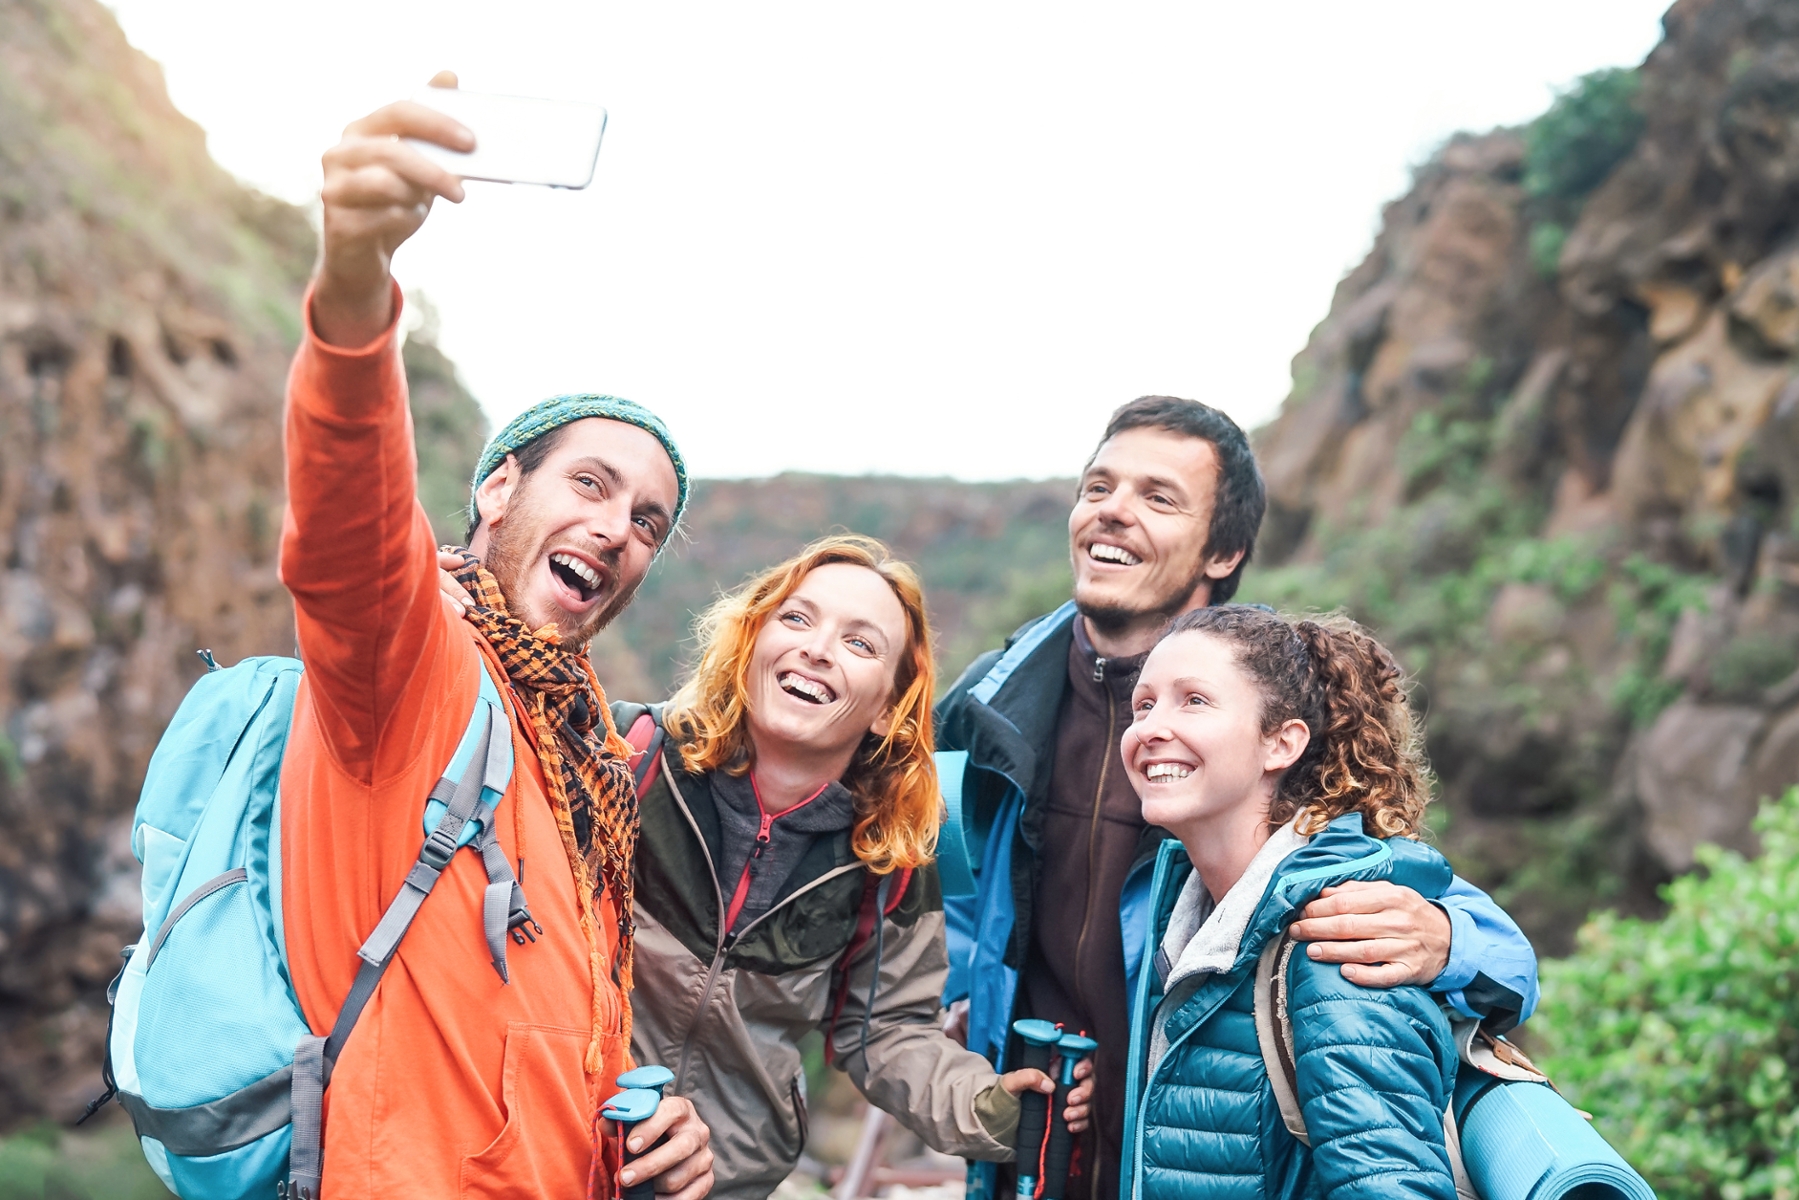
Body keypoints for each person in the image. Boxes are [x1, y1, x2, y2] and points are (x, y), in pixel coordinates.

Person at [278, 76, 713, 1197]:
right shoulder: (414, 664)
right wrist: (359, 288)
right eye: (591, 483)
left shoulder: (582, 755)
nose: (618, 529)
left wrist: (653, 1132)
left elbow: (544, 1021)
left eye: (647, 521)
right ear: (498, 487)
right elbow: (347, 522)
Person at [934, 396, 1540, 1200]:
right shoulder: (989, 704)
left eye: (1157, 497)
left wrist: (1446, 939)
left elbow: (1410, 890)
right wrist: (967, 1005)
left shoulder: (1258, 709)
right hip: (1046, 1152)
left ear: (1222, 550)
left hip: (1200, 1151)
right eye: (1097, 487)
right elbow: (954, 889)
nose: (1112, 512)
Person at [465, 535, 1098, 1199]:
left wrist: (994, 1110)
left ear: (887, 707)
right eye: (796, 619)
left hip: (726, 1180)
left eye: (860, 644)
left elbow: (884, 1033)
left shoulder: (890, 855)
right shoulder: (627, 756)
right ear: (750, 643)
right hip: (547, 1146)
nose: (817, 648)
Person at [1118, 605, 1463, 1200]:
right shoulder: (1185, 909)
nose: (1151, 727)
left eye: (1193, 700)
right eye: (1144, 705)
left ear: (1281, 743)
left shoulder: (1335, 943)